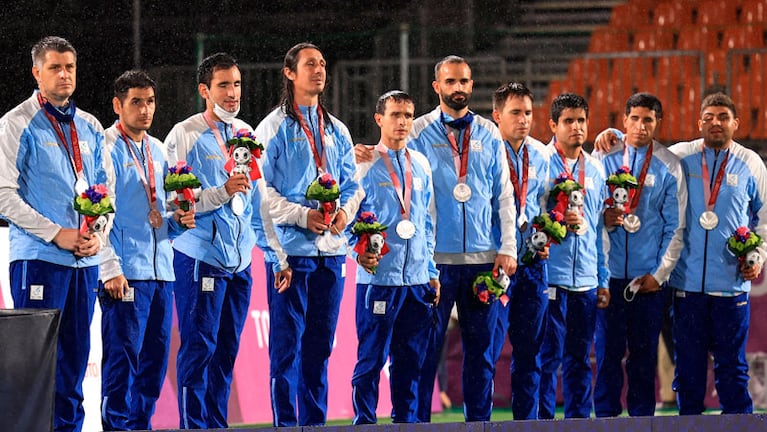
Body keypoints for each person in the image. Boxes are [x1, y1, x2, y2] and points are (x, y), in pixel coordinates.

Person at [164, 52, 290, 429]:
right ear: (204, 90)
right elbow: (176, 201)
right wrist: (221, 191)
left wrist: (276, 256)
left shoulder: (246, 136)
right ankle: (193, 426)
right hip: (200, 257)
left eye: (236, 84)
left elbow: (259, 202)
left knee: (225, 353)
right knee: (199, 349)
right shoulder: (184, 134)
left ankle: (216, 426)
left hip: (239, 263)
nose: (233, 93)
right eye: (223, 85)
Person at [0, 36, 109, 432]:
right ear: (36, 72)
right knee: (35, 366)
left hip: (86, 260)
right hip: (39, 258)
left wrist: (98, 230)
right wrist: (55, 234)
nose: (64, 75)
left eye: (70, 68)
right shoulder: (17, 123)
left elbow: (103, 192)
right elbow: (3, 196)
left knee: (75, 362)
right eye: (54, 68)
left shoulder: (91, 126)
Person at [403, 55, 517, 422]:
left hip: (483, 260)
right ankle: (417, 425)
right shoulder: (417, 131)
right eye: (450, 82)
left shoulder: (488, 132)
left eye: (464, 81)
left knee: (481, 354)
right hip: (435, 263)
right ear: (437, 87)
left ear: (471, 85)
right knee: (425, 351)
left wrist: (509, 247)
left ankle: (479, 424)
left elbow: (504, 195)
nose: (458, 88)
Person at [257, 42, 361, 427]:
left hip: (332, 254)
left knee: (320, 349)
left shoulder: (337, 129)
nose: (318, 70)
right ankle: (286, 424)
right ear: (289, 73)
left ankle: (314, 423)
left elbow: (353, 185)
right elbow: (261, 191)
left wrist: (345, 213)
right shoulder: (272, 128)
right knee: (286, 349)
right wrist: (303, 215)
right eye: (309, 64)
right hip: (292, 254)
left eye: (322, 63)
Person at [97, 70, 195, 431]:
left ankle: (140, 425)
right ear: (117, 105)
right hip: (126, 274)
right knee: (123, 363)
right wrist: (109, 266)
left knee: (153, 364)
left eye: (150, 101)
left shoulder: (158, 150)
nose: (145, 109)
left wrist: (179, 220)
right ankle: (116, 427)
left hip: (161, 273)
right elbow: (96, 213)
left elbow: (163, 214)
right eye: (136, 102)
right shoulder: (105, 147)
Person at [667, 92, 766, 415]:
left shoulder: (751, 163)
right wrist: (609, 137)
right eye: (708, 117)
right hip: (687, 288)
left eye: (723, 117)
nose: (715, 123)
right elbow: (641, 153)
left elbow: (764, 220)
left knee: (732, 371)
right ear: (699, 123)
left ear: (735, 123)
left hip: (731, 286)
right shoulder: (681, 155)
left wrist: (757, 257)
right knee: (689, 372)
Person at [591, 92, 686, 417]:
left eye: (648, 120)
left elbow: (675, 227)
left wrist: (658, 275)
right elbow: (587, 210)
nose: (641, 126)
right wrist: (601, 218)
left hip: (646, 281)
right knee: (606, 356)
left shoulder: (669, 165)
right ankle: (604, 420)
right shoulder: (603, 156)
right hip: (607, 278)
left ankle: (642, 422)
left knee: (643, 358)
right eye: (635, 119)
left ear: (657, 123)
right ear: (624, 120)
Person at [349, 90, 440, 424]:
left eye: (408, 116)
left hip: (416, 281)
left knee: (411, 361)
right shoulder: (364, 162)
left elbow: (427, 222)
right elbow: (346, 215)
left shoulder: (422, 164)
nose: (402, 122)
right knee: (371, 360)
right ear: (379, 119)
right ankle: (365, 423)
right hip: (379, 279)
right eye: (395, 115)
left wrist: (431, 271)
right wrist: (357, 254)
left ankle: (407, 424)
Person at [538, 92, 609, 419]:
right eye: (568, 121)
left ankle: (579, 422)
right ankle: (542, 421)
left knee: (580, 358)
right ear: (553, 125)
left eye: (581, 120)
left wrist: (603, 278)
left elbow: (597, 231)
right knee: (548, 355)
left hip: (586, 281)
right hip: (550, 275)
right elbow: (529, 216)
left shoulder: (596, 169)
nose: (576, 127)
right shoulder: (540, 163)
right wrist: (554, 218)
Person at [491, 82, 550, 420]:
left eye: (528, 112)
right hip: (496, 264)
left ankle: (527, 424)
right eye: (515, 112)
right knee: (487, 351)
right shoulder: (486, 153)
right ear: (497, 116)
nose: (524, 119)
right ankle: (479, 423)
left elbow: (545, 206)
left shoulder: (541, 154)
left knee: (531, 353)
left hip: (531, 264)